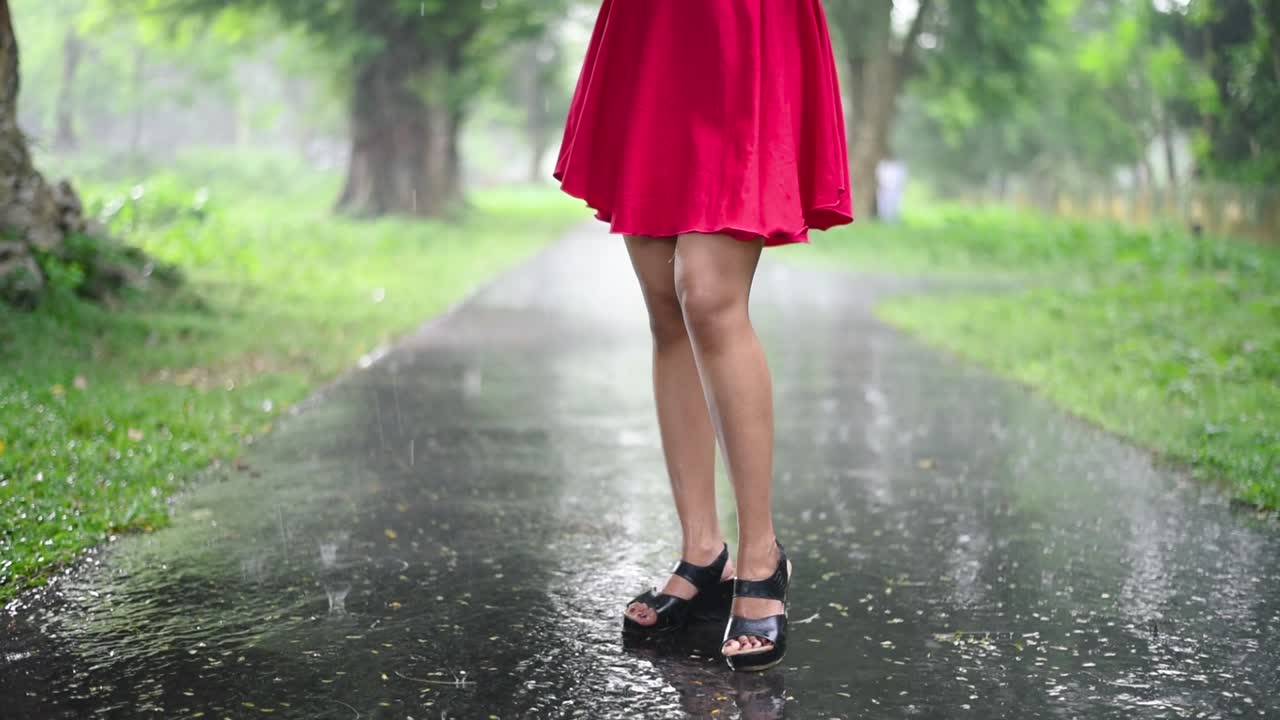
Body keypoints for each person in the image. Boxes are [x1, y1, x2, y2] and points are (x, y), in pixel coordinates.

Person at [553, 0, 853, 672]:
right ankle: (702, 551)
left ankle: (761, 556)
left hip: (740, 22)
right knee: (667, 304)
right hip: (655, 25)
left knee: (709, 293)